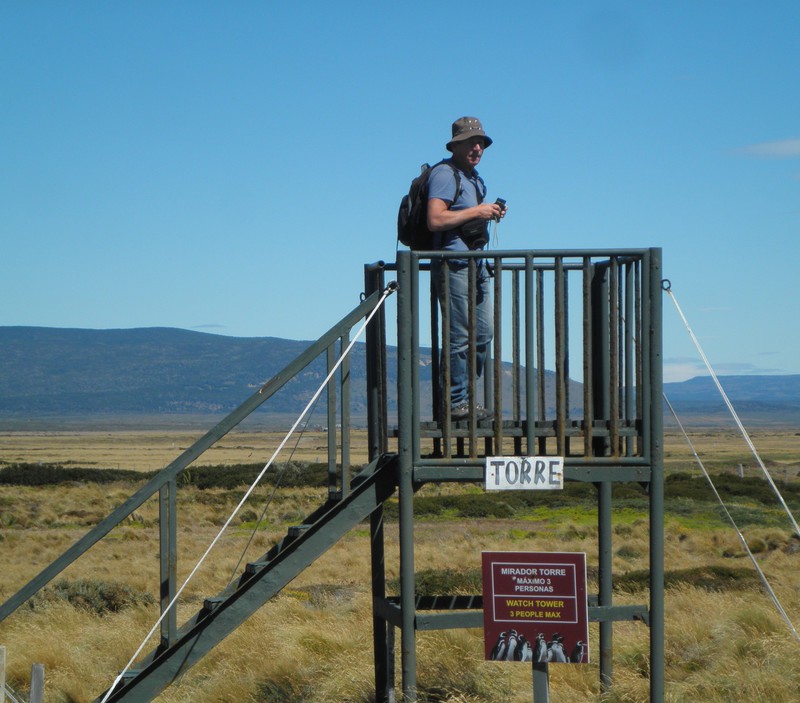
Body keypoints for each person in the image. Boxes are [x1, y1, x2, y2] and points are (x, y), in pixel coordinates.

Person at [426, 116, 506, 420]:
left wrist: (489, 213)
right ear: (456, 145)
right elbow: (435, 220)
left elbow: (464, 218)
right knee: (459, 335)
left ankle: (463, 398)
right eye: (470, 142)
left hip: (476, 265)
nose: (477, 147)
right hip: (454, 264)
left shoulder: (474, 179)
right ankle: (455, 402)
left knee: (483, 333)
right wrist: (478, 210)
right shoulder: (445, 174)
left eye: (481, 143)